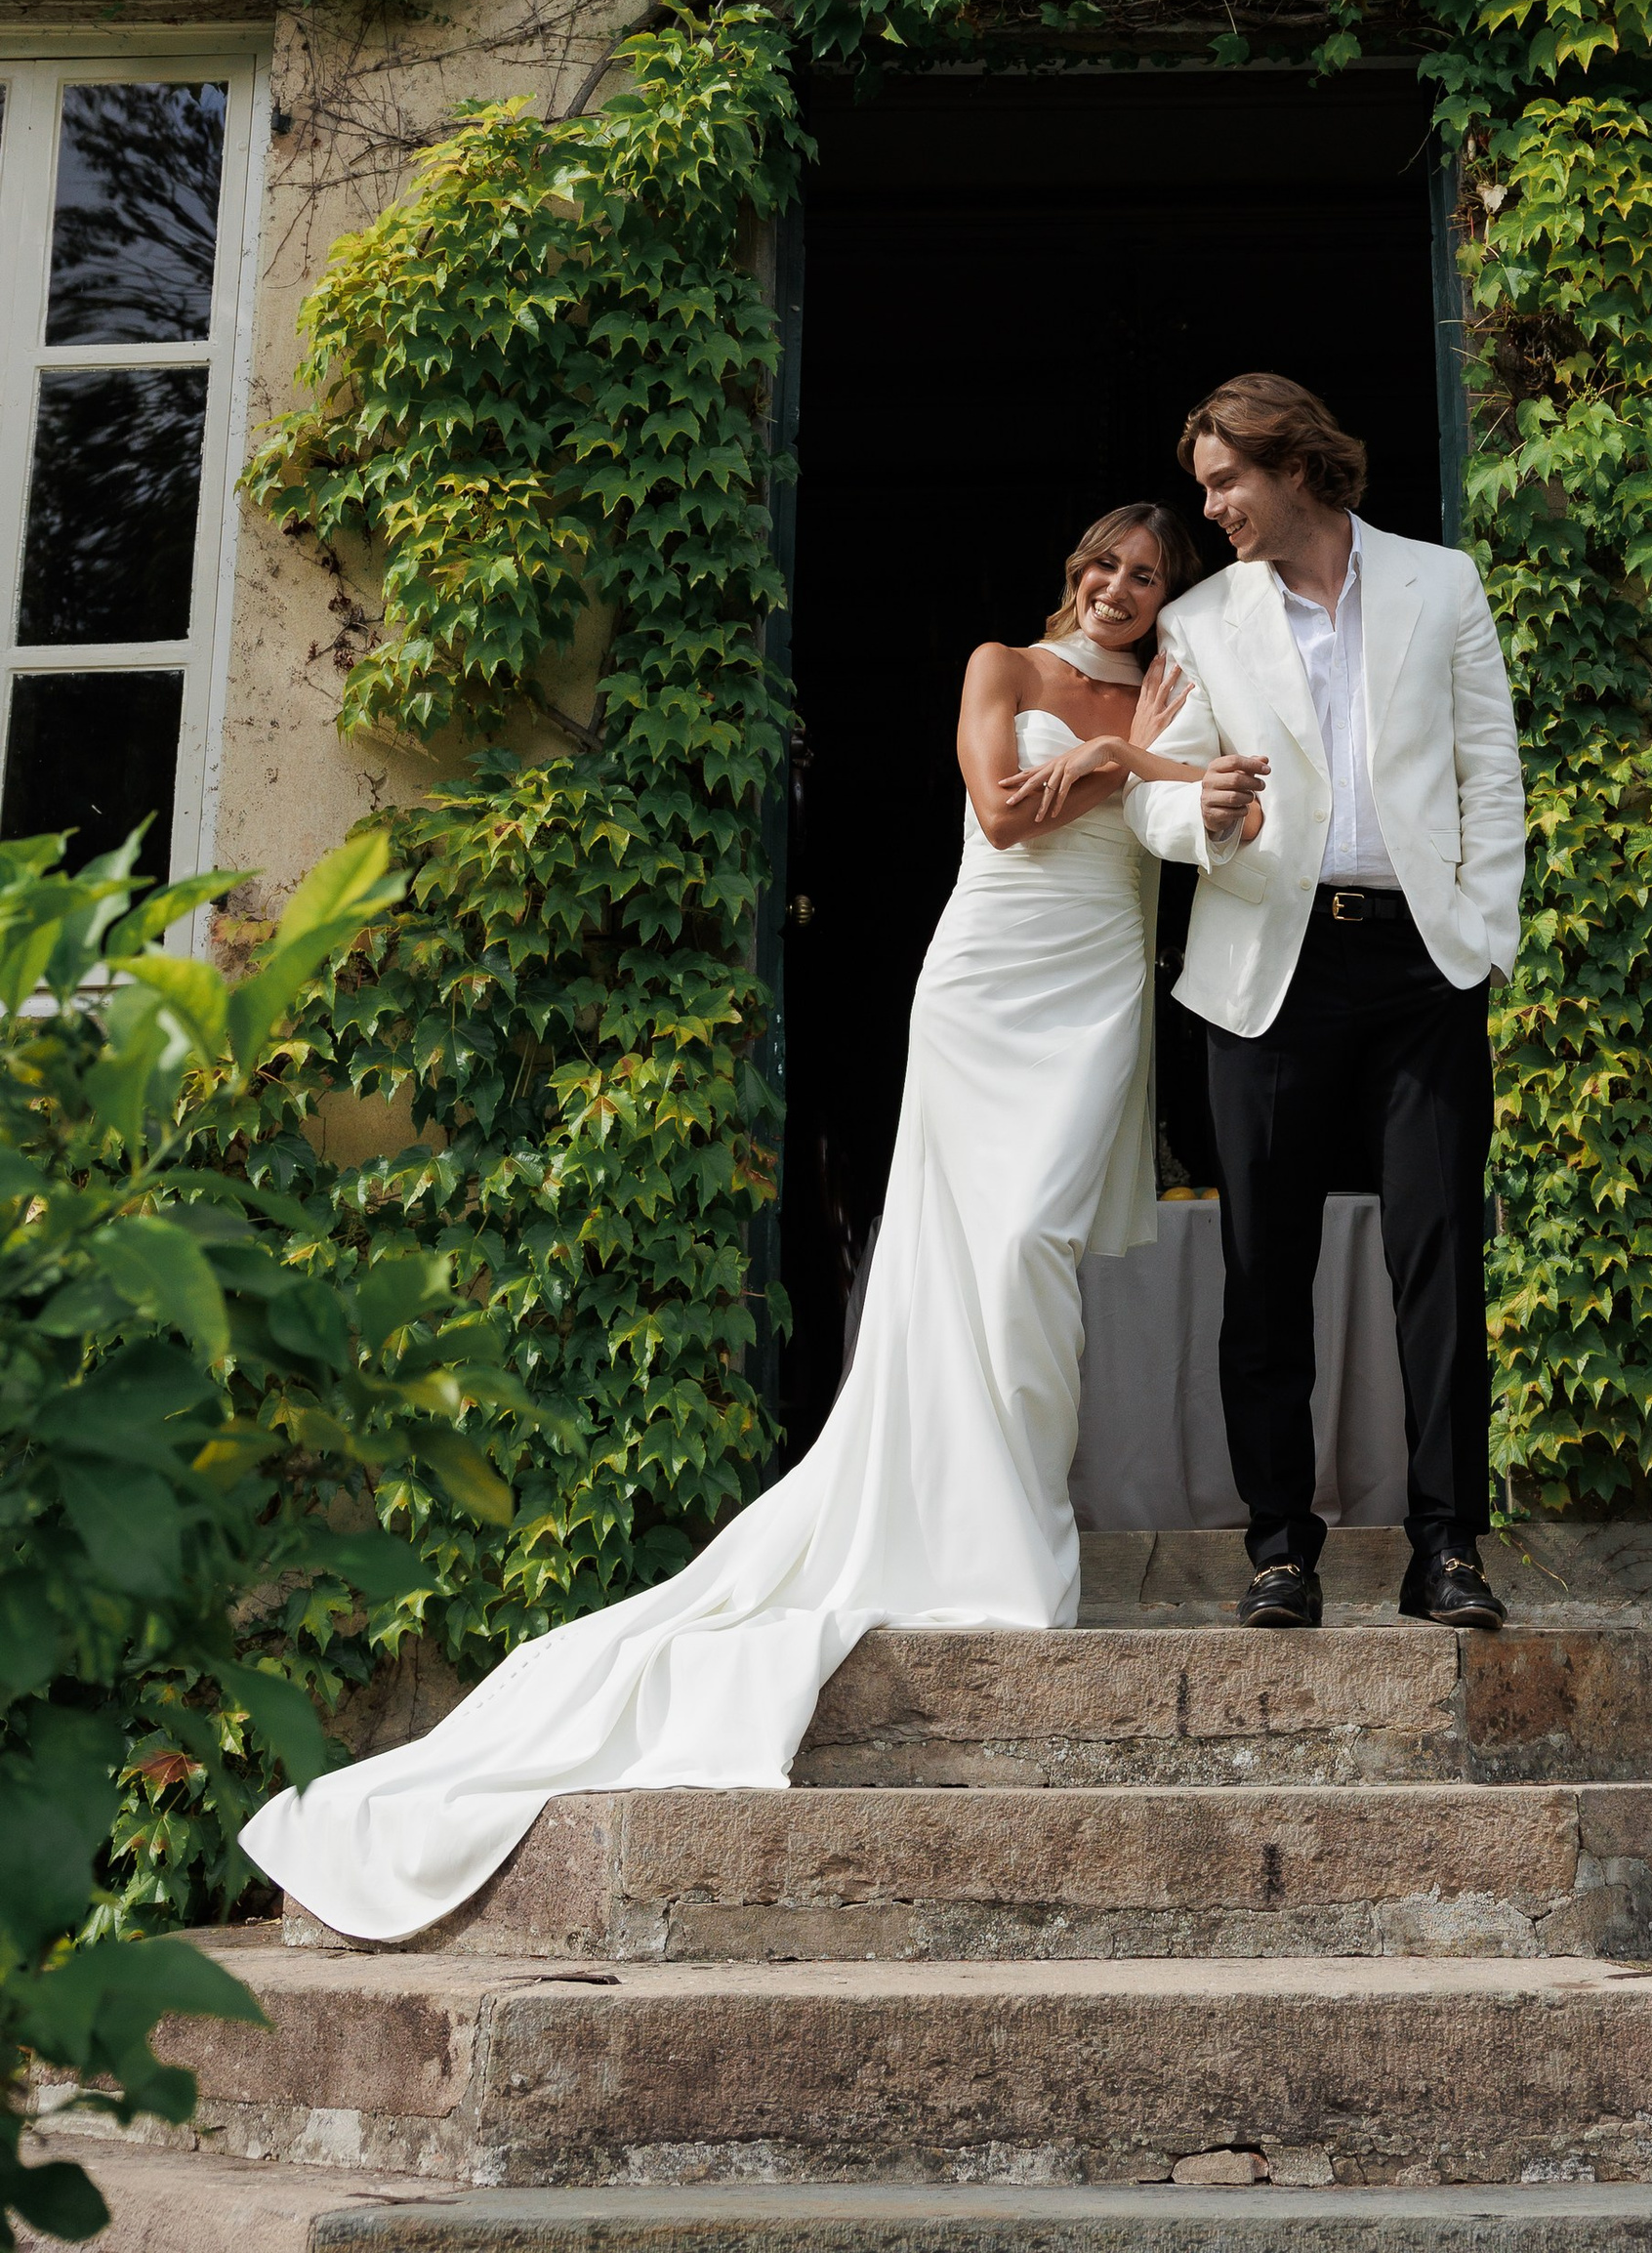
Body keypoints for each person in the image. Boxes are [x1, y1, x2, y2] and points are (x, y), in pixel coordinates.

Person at [240, 502, 1265, 1943]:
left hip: (1098, 981)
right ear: (1074, 572)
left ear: (1167, 597)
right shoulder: (1005, 667)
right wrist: (1115, 760)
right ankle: (985, 1539)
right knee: (970, 1251)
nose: (1120, 588)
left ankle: (1015, 1530)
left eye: (1147, 576)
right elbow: (997, 811)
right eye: (1105, 564)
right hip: (987, 978)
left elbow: (1172, 818)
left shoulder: (1164, 692)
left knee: (1034, 1250)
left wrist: (1155, 776)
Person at [1124, 375, 1527, 1633]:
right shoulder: (1198, 619)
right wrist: (1200, 812)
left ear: (1295, 465)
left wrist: (1487, 932)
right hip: (1265, 969)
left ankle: (1448, 1549)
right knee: (1264, 1266)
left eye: (1224, 482)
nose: (1210, 508)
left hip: (1421, 966)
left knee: (1440, 1253)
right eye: (1203, 486)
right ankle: (1278, 1551)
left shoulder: (1442, 584)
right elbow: (1150, 790)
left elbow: (1490, 766)